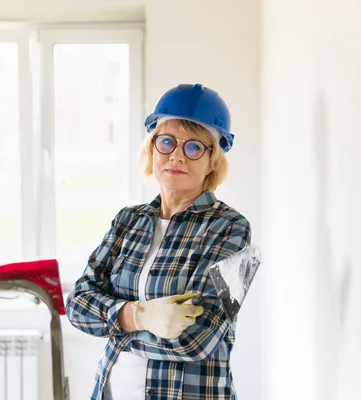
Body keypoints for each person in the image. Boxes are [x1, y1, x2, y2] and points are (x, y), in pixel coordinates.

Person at [65, 83, 252, 400]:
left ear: (212, 162)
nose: (177, 155)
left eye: (194, 147)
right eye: (166, 142)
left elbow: (198, 338)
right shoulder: (128, 221)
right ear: (151, 150)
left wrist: (115, 323)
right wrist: (138, 316)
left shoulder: (233, 229)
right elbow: (77, 304)